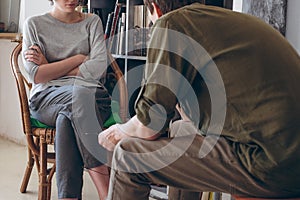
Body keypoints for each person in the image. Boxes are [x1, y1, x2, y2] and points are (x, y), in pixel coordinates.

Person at [98, 0, 300, 199]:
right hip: (287, 155)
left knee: (128, 156)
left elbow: (150, 125)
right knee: (180, 130)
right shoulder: (218, 21)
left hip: (271, 165)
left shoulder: (170, 23)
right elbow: (193, 121)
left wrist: (119, 131)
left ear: (155, 7)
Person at [22, 0, 111, 199]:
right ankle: (106, 191)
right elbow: (36, 75)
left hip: (94, 98)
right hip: (46, 99)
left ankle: (68, 196)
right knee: (77, 98)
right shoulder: (34, 24)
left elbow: (97, 69)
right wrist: (79, 59)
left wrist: (51, 67)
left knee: (68, 115)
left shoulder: (92, 21)